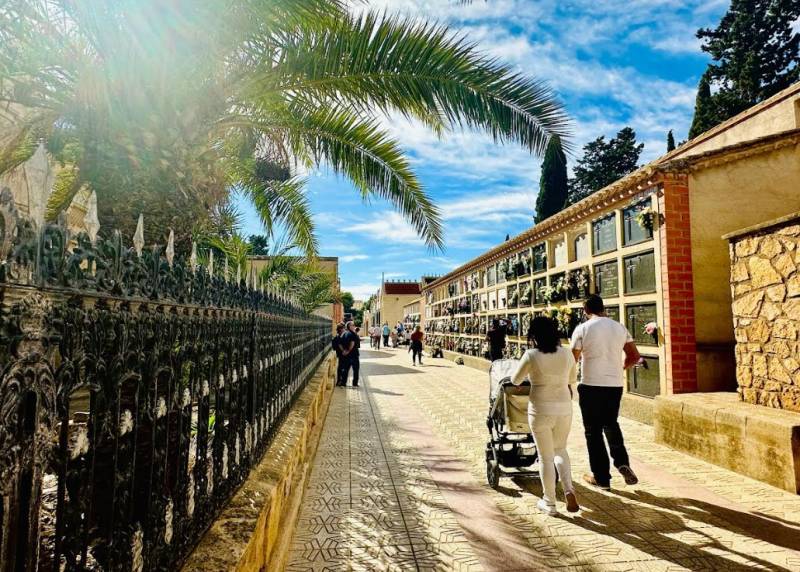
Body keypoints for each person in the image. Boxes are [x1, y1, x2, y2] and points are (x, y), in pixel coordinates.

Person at [570, 294, 641, 490]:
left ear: (585, 311)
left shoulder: (583, 329)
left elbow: (572, 359)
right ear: (603, 308)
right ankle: (622, 462)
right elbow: (634, 356)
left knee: (593, 432)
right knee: (611, 423)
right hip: (614, 385)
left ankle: (601, 478)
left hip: (591, 385)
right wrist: (620, 368)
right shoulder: (619, 327)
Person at [511, 316, 579, 515]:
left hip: (540, 409)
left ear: (534, 335)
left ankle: (549, 503)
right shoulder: (567, 354)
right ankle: (569, 490)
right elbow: (572, 378)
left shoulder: (531, 355)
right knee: (561, 450)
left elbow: (515, 380)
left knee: (545, 457)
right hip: (564, 408)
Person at [340, 321, 361, 387]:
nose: (354, 326)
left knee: (345, 370)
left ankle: (343, 383)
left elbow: (339, 343)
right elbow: (352, 343)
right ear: (349, 326)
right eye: (353, 325)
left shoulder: (344, 333)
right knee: (356, 370)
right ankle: (355, 383)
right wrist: (348, 351)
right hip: (353, 355)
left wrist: (343, 351)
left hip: (346, 355)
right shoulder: (353, 334)